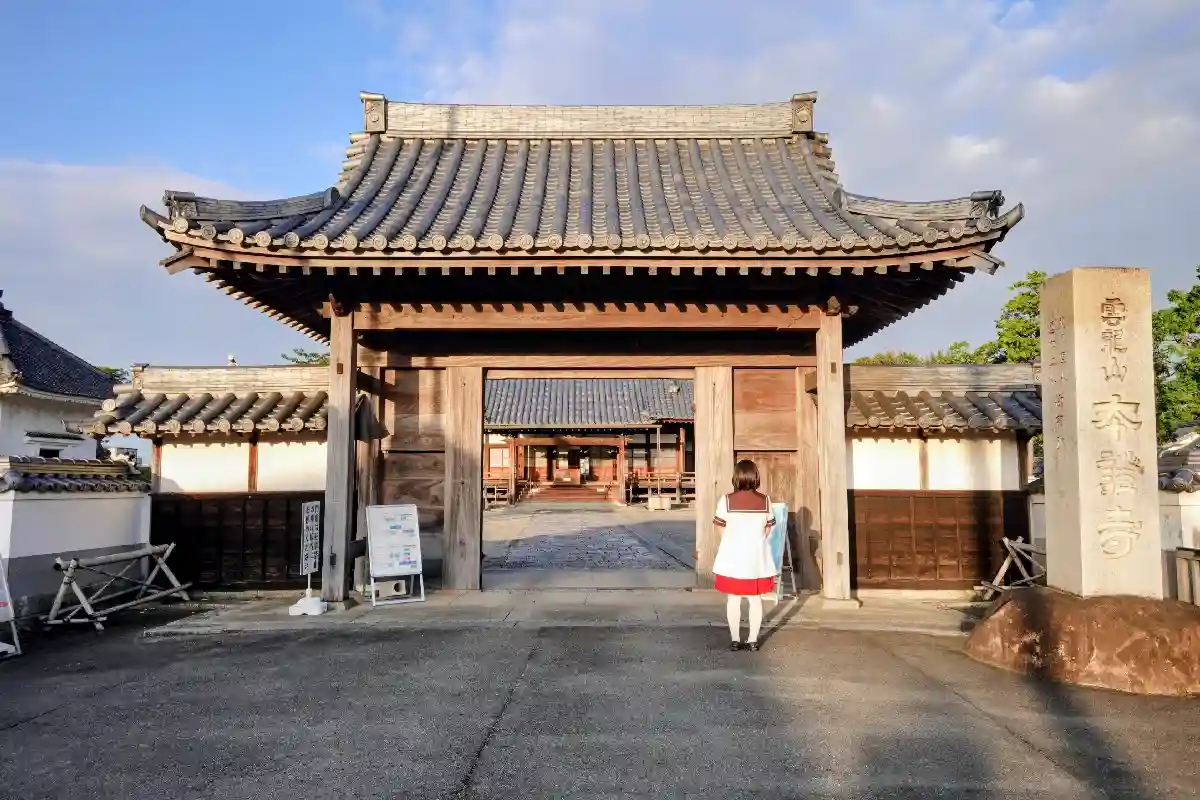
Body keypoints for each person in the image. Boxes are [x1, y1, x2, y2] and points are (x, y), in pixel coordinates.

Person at [712, 459, 777, 651]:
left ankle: (735, 639)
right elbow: (768, 529)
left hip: (733, 558)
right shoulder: (765, 500)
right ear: (755, 476)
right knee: (755, 599)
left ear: (736, 477)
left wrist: (731, 542)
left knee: (734, 598)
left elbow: (720, 527)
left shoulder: (726, 500)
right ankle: (752, 640)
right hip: (756, 558)